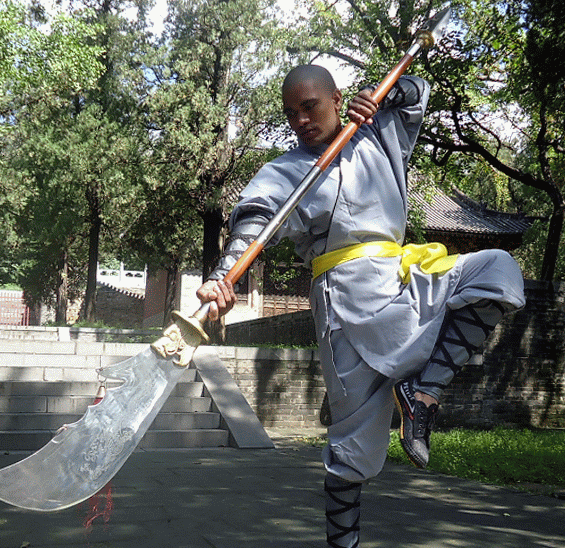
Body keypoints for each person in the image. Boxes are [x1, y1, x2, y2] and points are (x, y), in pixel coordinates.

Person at [196, 64, 525, 548]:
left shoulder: (379, 136)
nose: (301, 120)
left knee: (498, 272)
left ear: (336, 98)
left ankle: (423, 395)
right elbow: (253, 220)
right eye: (292, 114)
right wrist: (223, 274)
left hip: (404, 279)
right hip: (342, 304)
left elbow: (417, 93)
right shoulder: (286, 170)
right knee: (354, 444)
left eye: (310, 106)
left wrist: (383, 97)